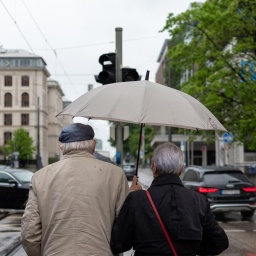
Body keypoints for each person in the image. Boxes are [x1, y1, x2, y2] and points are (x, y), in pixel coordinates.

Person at [21, 123, 141, 256]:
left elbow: (29, 233)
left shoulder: (40, 177)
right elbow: (126, 227)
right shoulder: (116, 174)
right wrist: (132, 196)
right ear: (94, 144)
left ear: (61, 147)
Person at [110, 142, 229, 256]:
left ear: (154, 167)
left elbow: (118, 244)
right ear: (181, 170)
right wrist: (189, 249)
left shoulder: (137, 199)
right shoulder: (198, 200)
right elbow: (220, 242)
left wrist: (132, 197)